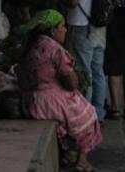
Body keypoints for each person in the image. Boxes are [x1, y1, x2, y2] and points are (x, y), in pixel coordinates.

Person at [16, 10, 102, 172]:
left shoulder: (30, 45)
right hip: (48, 101)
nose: (65, 30)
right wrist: (76, 77)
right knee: (88, 113)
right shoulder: (55, 49)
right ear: (53, 30)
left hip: (30, 99)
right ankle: (82, 161)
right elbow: (71, 83)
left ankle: (67, 155)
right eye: (62, 26)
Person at [61, 0, 112, 122]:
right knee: (98, 70)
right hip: (99, 25)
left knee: (83, 71)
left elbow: (73, 2)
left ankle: (85, 116)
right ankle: (98, 113)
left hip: (80, 25)